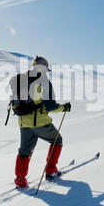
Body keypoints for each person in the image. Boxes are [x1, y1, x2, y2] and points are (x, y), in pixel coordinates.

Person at [14, 56, 71, 188]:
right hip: (39, 122)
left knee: (24, 151)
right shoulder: (44, 81)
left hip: (23, 122)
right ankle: (51, 171)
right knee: (57, 140)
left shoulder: (22, 79)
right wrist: (64, 108)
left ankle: (20, 179)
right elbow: (51, 106)